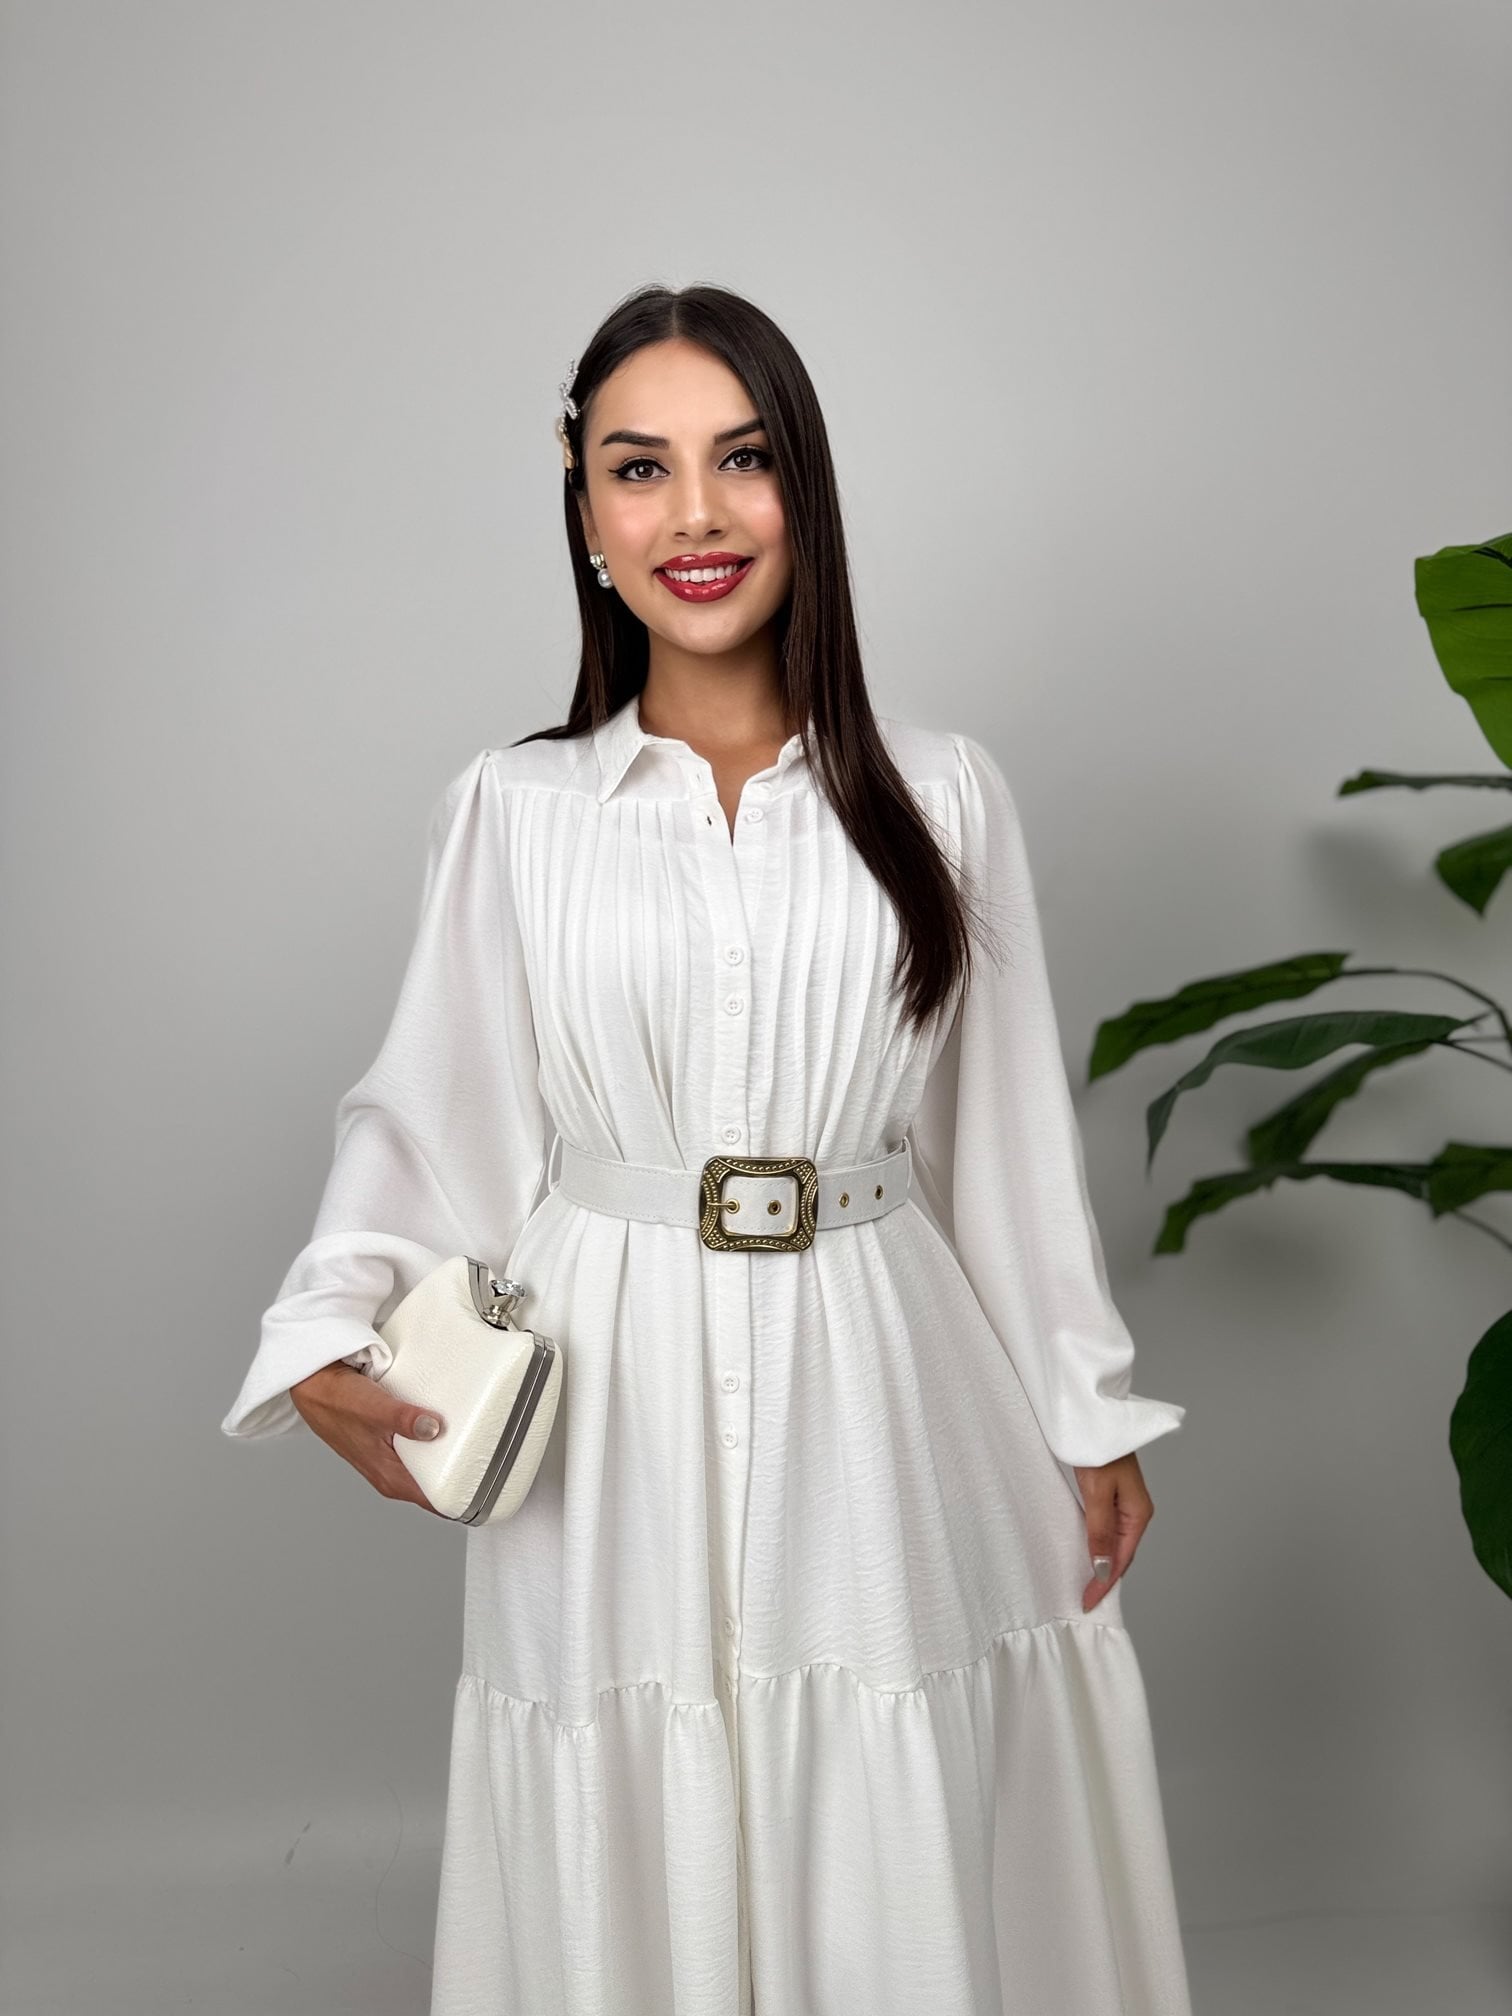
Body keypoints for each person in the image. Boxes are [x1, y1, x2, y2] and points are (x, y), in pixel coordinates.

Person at [221, 281, 1193, 2016]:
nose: (695, 514)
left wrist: (1086, 1403)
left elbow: (1004, 1135)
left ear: (805, 491)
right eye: (638, 467)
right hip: (610, 1384)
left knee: (882, 1752)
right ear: (586, 514)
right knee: (631, 1750)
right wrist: (323, 1324)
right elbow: (432, 1112)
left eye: (742, 460)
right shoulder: (515, 811)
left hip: (884, 1371)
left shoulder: (944, 795)